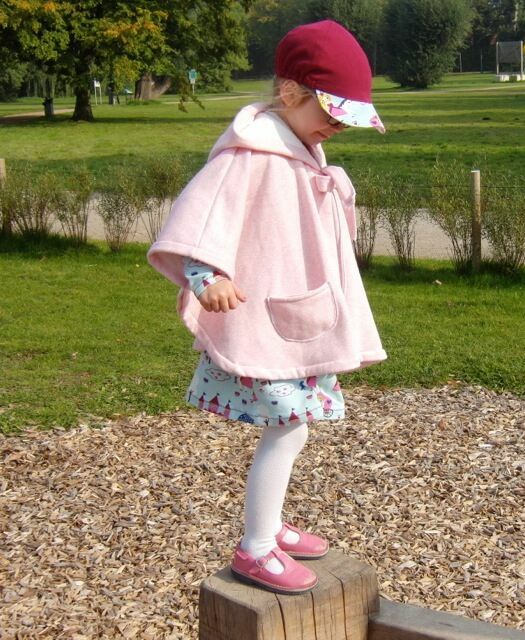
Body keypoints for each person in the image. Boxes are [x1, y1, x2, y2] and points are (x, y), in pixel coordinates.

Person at [148, 19, 387, 595]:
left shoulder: (301, 148)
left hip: (296, 316)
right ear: (289, 91)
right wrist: (206, 275)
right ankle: (255, 548)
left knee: (295, 428)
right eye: (332, 112)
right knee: (287, 428)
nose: (338, 126)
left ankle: (271, 524)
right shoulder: (251, 154)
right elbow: (205, 215)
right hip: (263, 320)